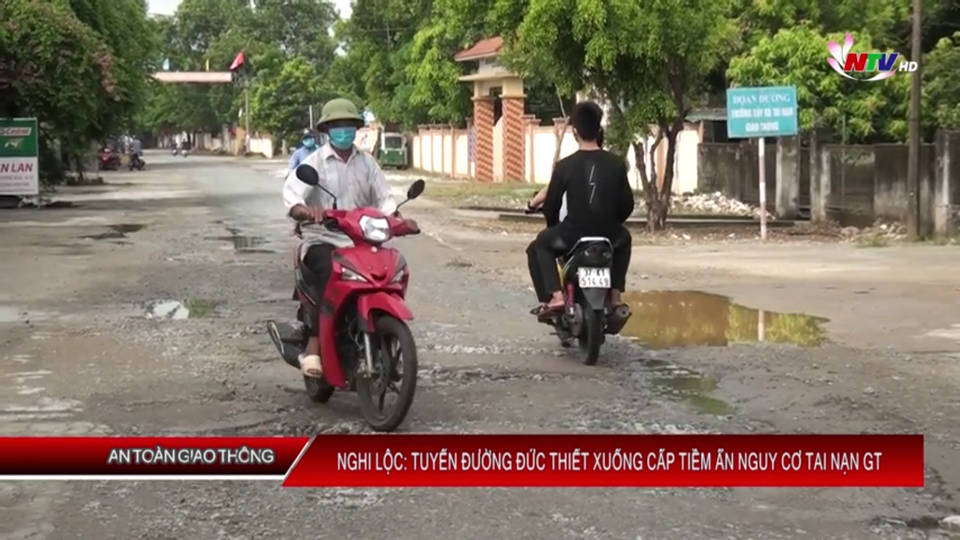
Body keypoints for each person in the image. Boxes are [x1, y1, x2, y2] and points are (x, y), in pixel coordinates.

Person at [282, 97, 396, 378]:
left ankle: (380, 331)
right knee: (328, 273)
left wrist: (396, 217)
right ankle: (313, 346)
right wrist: (306, 211)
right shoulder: (314, 162)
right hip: (323, 239)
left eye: (349, 125)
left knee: (390, 270)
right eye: (337, 126)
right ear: (327, 130)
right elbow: (292, 196)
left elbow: (385, 198)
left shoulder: (367, 163)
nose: (344, 130)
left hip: (361, 240)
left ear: (356, 129)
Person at [525, 101, 633, 315]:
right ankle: (615, 296)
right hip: (609, 235)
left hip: (572, 235)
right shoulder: (617, 163)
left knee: (541, 244)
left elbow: (553, 204)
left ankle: (556, 297)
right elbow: (627, 204)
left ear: (575, 132)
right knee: (625, 238)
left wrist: (553, 227)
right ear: (599, 129)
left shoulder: (565, 166)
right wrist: (612, 222)